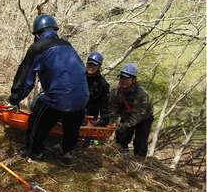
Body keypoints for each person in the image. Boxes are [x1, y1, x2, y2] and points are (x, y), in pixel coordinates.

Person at [9, 14, 89, 164]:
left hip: (59, 97)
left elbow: (25, 78)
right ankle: (68, 152)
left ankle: (34, 152)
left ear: (37, 34)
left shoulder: (37, 48)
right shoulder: (67, 45)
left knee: (37, 118)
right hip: (82, 97)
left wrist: (15, 99)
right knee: (72, 120)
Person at [107, 63, 154, 157]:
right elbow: (112, 108)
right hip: (126, 115)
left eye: (127, 79)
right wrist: (113, 121)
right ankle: (120, 156)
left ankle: (139, 161)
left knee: (140, 142)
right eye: (122, 77)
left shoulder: (142, 94)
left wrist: (124, 125)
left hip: (144, 118)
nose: (123, 81)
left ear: (134, 80)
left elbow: (138, 116)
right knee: (121, 138)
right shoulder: (116, 91)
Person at [85, 51, 110, 126]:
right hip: (74, 111)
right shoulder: (78, 76)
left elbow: (104, 105)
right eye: (90, 64)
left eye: (94, 65)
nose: (91, 67)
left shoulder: (103, 84)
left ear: (99, 67)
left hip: (91, 115)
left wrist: (103, 120)